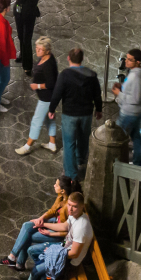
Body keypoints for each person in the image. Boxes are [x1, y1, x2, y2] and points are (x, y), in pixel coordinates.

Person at [7, 192, 93, 280]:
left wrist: (53, 253)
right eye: (69, 205)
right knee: (32, 250)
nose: (70, 209)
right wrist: (43, 224)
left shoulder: (81, 227)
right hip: (64, 246)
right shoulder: (75, 215)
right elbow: (65, 226)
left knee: (36, 270)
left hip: (69, 263)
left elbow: (74, 254)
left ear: (82, 206)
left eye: (74, 206)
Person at [0, 175, 79, 269]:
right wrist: (41, 218)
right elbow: (52, 211)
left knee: (28, 236)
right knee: (27, 226)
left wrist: (49, 233)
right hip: (55, 222)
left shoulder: (67, 208)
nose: (54, 186)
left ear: (63, 190)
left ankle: (17, 263)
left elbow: (67, 232)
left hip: (59, 235)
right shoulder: (61, 196)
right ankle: (13, 259)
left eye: (56, 185)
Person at [48, 47, 103, 180]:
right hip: (86, 114)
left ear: (68, 58)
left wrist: (52, 109)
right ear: (82, 59)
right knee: (83, 138)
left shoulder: (65, 75)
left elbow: (57, 93)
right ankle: (81, 160)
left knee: (69, 143)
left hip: (70, 114)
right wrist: (99, 109)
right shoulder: (92, 75)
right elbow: (97, 94)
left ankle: (70, 174)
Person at [16, 37, 59, 155]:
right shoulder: (47, 58)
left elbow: (51, 83)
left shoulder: (48, 65)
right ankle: (52, 144)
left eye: (40, 49)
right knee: (49, 119)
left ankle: (27, 146)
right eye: (37, 48)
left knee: (36, 121)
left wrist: (37, 86)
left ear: (47, 51)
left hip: (46, 98)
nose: (37, 51)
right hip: (47, 97)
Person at [113, 47, 141, 165]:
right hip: (135, 112)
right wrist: (122, 87)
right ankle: (137, 162)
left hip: (129, 113)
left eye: (129, 60)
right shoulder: (137, 73)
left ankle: (117, 162)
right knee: (136, 137)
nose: (126, 61)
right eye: (126, 58)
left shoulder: (136, 77)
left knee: (118, 137)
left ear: (137, 62)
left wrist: (119, 94)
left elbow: (136, 98)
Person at [12, 0, 41, 70]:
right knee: (20, 36)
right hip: (18, 13)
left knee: (27, 39)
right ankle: (22, 56)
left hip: (29, 15)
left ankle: (28, 66)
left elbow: (32, 4)